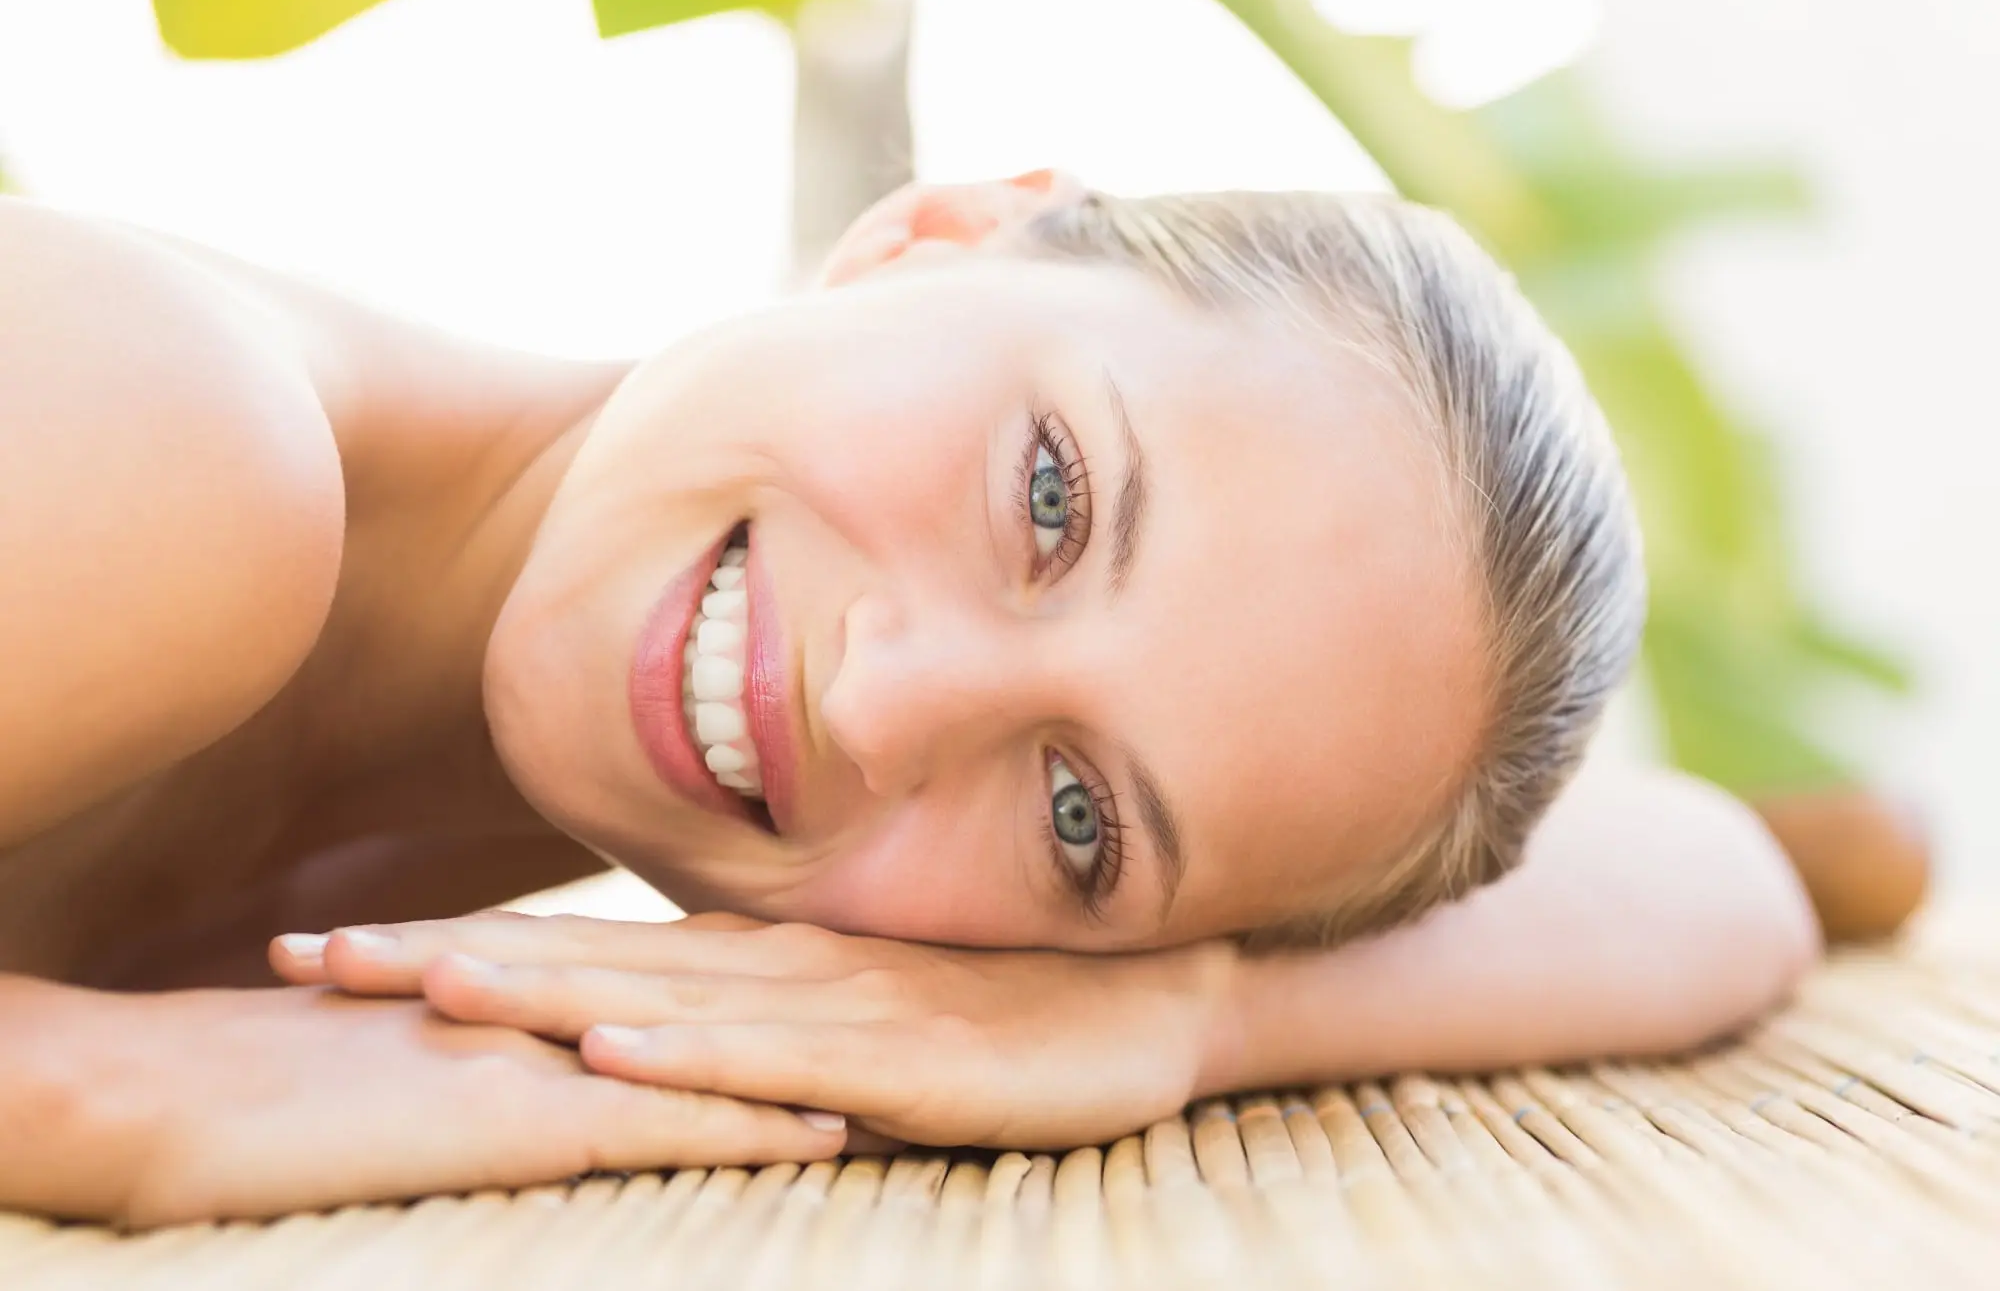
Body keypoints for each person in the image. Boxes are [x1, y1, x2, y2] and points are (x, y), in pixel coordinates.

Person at [0, 174, 1820, 1228]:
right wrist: (105, 1089)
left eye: (1081, 818)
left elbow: (1721, 881)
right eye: (1051, 494)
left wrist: (1185, 1020)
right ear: (944, 228)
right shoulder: (195, 445)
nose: (887, 701)